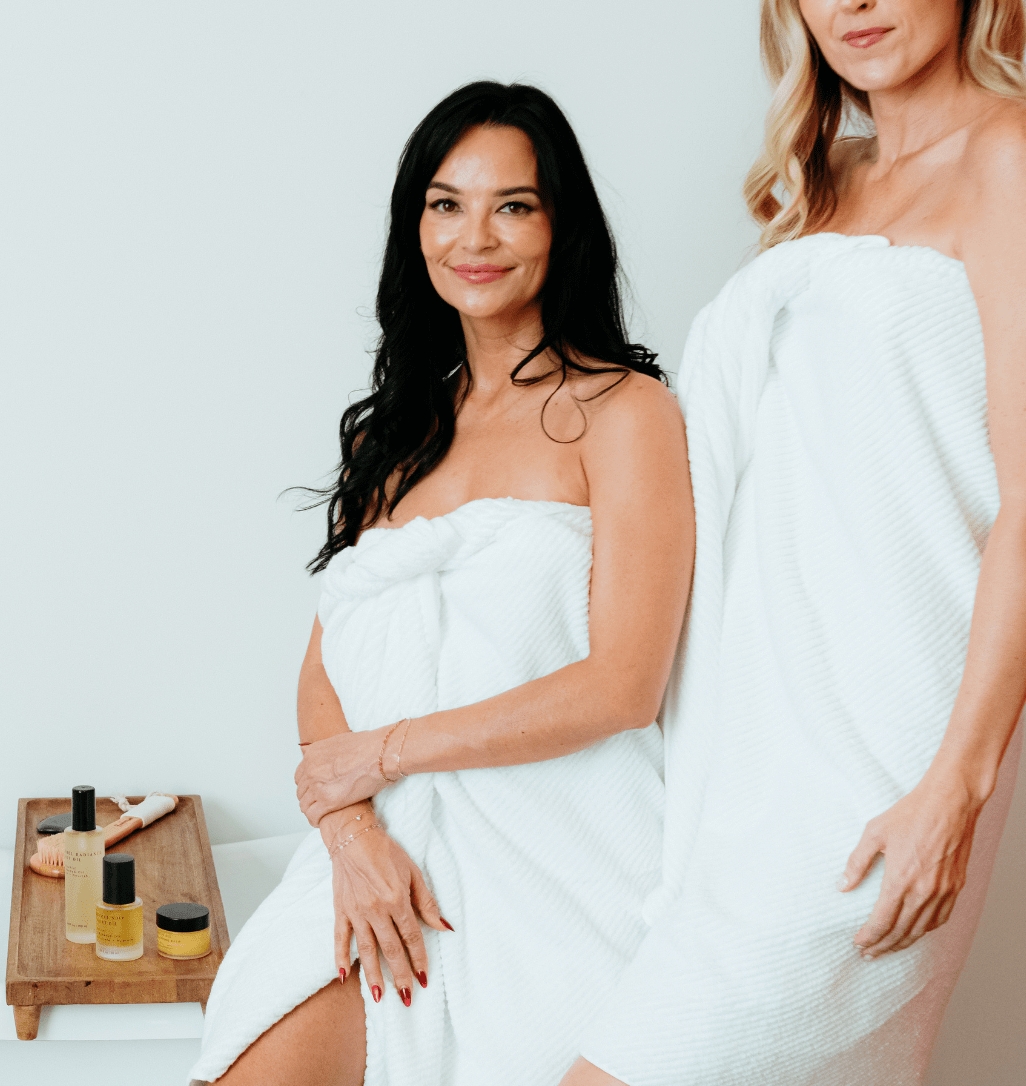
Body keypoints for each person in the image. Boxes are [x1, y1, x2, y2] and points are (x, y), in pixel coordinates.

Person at [568, 0, 1026, 1086]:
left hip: (884, 751)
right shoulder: (822, 186)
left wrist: (950, 790)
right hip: (743, 747)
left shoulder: (1016, 152)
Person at [190, 81, 693, 1085]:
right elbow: (325, 664)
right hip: (382, 862)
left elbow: (623, 682)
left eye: (514, 203)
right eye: (445, 201)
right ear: (412, 223)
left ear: (562, 224)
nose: (476, 235)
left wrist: (379, 755)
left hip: (557, 869)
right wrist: (348, 835)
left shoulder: (624, 412)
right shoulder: (392, 433)